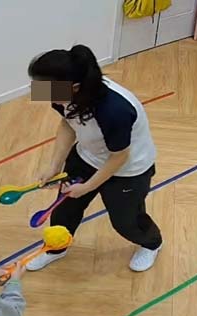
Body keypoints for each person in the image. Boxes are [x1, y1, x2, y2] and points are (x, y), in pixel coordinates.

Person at [27, 44, 162, 272]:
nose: (40, 92)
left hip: (127, 170)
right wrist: (54, 166)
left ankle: (152, 244)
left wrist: (88, 187)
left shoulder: (115, 110)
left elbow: (119, 156)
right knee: (63, 211)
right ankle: (56, 248)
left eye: (44, 87)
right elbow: (67, 124)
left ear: (75, 87)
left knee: (125, 221)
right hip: (86, 157)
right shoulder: (59, 92)